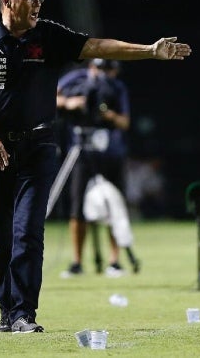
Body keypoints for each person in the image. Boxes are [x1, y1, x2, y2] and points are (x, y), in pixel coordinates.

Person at [0, 0, 191, 334]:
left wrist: (149, 51)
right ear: (8, 2)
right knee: (0, 235)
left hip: (38, 146)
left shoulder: (47, 35)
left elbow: (97, 46)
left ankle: (23, 314)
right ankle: (7, 309)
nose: (38, 4)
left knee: (28, 231)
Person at [56, 58, 140, 278]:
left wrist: (108, 115)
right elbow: (53, 98)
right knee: (77, 207)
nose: (105, 75)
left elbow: (125, 122)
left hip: (111, 151)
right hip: (81, 150)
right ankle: (76, 262)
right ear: (92, 67)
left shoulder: (117, 88)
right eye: (101, 69)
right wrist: (71, 103)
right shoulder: (77, 79)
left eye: (110, 70)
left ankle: (114, 261)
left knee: (114, 206)